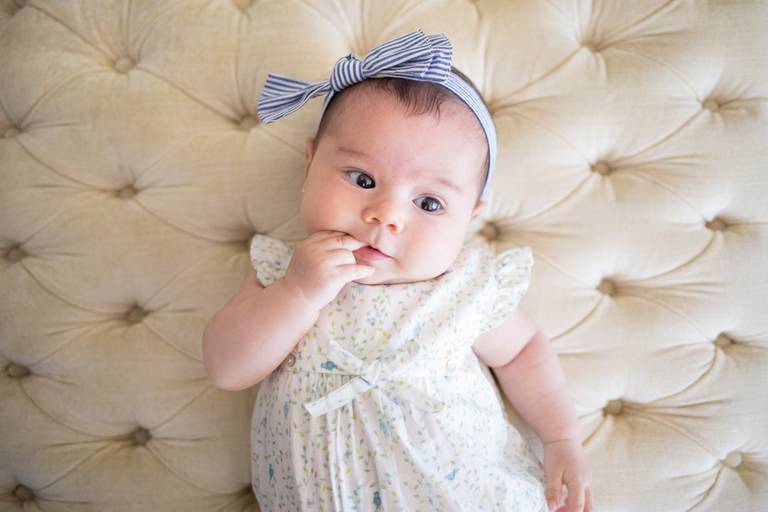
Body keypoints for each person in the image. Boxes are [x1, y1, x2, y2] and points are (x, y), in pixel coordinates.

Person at [202, 28, 593, 512]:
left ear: (469, 218)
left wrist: (561, 439)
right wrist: (298, 293)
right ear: (309, 167)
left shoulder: (463, 288)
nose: (386, 216)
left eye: (428, 203)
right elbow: (227, 369)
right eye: (363, 179)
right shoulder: (282, 274)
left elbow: (522, 352)